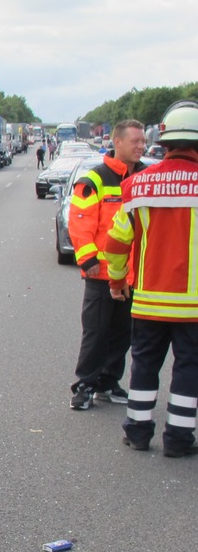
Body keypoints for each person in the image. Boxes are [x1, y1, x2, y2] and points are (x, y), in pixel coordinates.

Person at [104, 102, 198, 456]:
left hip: (147, 301)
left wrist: (116, 281)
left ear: (166, 141)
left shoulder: (137, 185)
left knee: (144, 365)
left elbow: (115, 243)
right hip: (194, 307)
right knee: (189, 370)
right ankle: (178, 440)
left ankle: (138, 432)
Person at [67, 118, 148, 410]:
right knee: (96, 332)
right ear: (117, 142)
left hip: (135, 275)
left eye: (143, 141)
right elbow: (80, 222)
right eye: (135, 141)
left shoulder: (147, 177)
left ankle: (108, 382)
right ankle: (85, 385)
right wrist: (87, 258)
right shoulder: (96, 178)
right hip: (101, 274)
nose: (141, 146)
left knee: (123, 333)